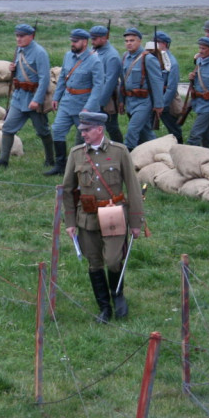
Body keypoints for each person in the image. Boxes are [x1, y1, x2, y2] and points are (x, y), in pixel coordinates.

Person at [62, 111, 146, 323]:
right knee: (95, 262)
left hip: (114, 216)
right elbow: (68, 190)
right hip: (87, 218)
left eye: (87, 130)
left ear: (100, 129)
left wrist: (136, 222)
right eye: (81, 130)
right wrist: (70, 222)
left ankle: (118, 295)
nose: (83, 134)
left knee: (113, 259)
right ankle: (104, 307)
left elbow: (134, 189)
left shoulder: (120, 152)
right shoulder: (76, 154)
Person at [0, 23, 54, 169]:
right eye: (17, 36)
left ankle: (51, 159)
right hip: (19, 97)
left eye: (22, 36)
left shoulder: (39, 52)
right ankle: (3, 160)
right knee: (8, 128)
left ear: (31, 36)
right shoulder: (19, 50)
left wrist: (37, 100)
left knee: (42, 131)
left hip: (34, 97)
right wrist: (13, 69)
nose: (18, 39)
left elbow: (44, 79)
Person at [47, 29, 105, 177]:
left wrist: (88, 108)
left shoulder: (95, 60)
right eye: (71, 41)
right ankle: (60, 165)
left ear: (84, 42)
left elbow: (98, 86)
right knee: (58, 130)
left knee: (87, 137)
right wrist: (56, 97)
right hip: (67, 102)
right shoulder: (68, 56)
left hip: (83, 104)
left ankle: (87, 165)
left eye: (75, 41)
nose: (72, 44)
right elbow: (62, 79)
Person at [119, 28, 164, 151]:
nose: (129, 43)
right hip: (130, 101)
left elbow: (157, 82)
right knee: (146, 133)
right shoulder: (125, 57)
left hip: (144, 102)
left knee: (132, 131)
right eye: (126, 41)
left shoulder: (148, 58)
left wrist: (159, 104)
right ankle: (160, 153)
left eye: (132, 40)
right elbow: (122, 81)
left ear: (139, 41)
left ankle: (128, 159)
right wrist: (121, 100)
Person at [89, 25, 124, 144]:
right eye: (92, 38)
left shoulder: (112, 56)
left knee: (111, 126)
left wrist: (100, 103)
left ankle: (121, 148)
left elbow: (110, 82)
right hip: (93, 94)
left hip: (106, 98)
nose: (92, 41)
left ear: (104, 38)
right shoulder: (94, 50)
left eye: (95, 39)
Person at [155, 31, 183, 143]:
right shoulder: (155, 58)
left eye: (157, 42)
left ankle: (180, 149)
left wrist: (162, 104)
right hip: (156, 99)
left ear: (164, 44)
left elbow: (171, 87)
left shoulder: (172, 63)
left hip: (167, 102)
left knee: (173, 129)